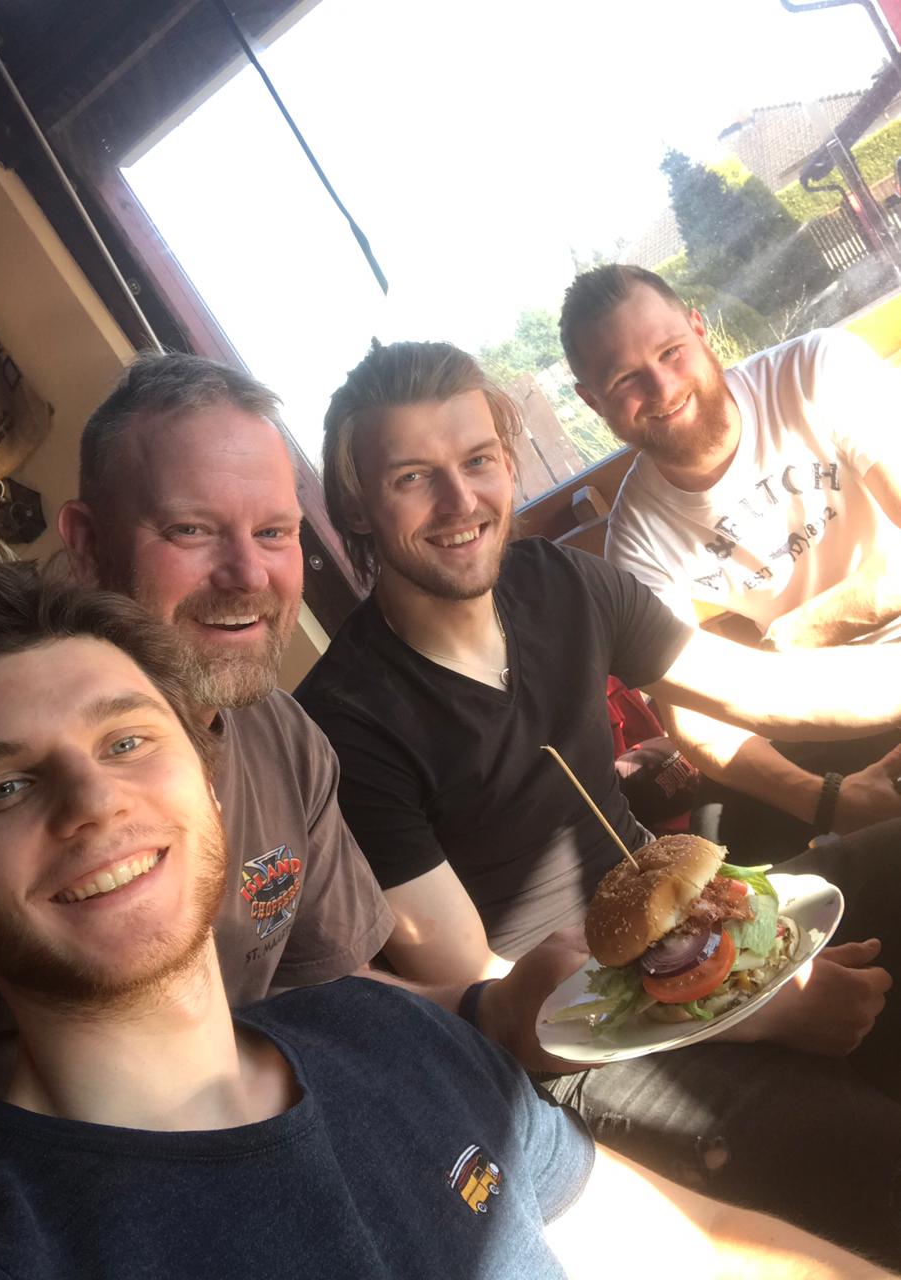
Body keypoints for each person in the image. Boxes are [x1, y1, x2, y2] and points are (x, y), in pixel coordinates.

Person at [0, 559, 885, 1280]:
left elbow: (702, 1249)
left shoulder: (389, 1031)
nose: (94, 803)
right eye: (3, 787)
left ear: (211, 785)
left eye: (127, 741)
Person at [295, 336, 900, 1264]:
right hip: (580, 1039)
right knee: (865, 1152)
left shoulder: (560, 582)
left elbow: (762, 690)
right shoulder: (345, 723)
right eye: (413, 478)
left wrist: (745, 967)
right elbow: (492, 989)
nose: (460, 502)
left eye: (478, 461)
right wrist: (762, 1005)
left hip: (701, 927)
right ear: (357, 509)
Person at [0, 353, 585, 1164]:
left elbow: (333, 989)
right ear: (89, 544)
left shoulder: (283, 735)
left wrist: (497, 1009)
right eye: (192, 530)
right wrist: (55, 1161)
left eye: (274, 532)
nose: (247, 575)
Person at [559, 263, 901, 862]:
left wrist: (796, 634)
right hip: (804, 704)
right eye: (625, 379)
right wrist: (831, 802)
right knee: (724, 840)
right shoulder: (636, 540)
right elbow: (696, 724)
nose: (662, 388)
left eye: (671, 352)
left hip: (848, 665)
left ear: (699, 329)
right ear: (592, 401)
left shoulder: (816, 373)